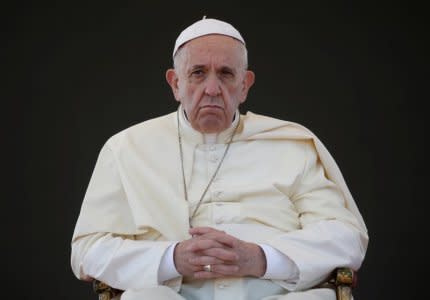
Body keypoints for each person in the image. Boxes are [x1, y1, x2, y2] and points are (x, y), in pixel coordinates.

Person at [71, 17, 368, 300]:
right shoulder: (126, 149)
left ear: (244, 85)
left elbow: (344, 237)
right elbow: (88, 251)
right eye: (198, 73)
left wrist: (260, 259)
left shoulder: (291, 145)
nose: (212, 89)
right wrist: (172, 259)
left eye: (226, 74)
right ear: (175, 83)